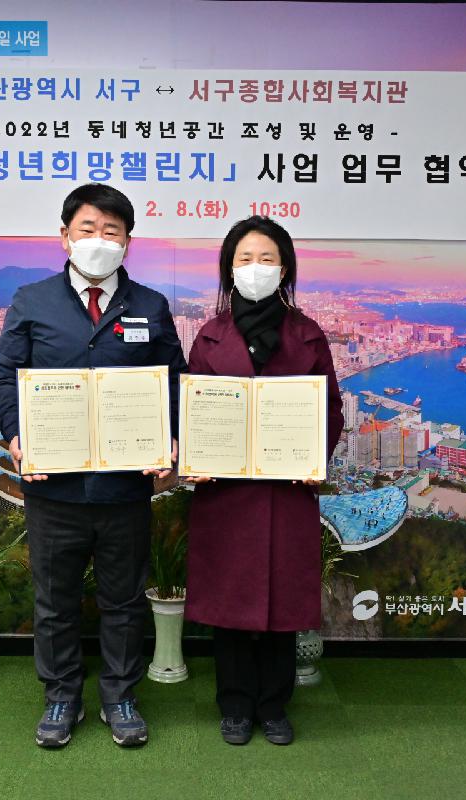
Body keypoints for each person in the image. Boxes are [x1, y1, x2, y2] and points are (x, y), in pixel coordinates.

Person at [0, 183, 186, 749]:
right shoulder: (33, 299)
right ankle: (60, 696)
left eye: (111, 232)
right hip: (54, 486)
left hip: (125, 486)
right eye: (87, 230)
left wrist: (170, 440)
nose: (99, 241)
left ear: (128, 242)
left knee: (124, 599)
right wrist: (16, 434)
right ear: (64, 237)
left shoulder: (149, 305)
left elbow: (173, 380)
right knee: (54, 600)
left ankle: (120, 695)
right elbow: (7, 374)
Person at [183, 216, 343, 746]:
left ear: (286, 267)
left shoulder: (308, 333)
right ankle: (233, 704)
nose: (256, 269)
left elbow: (331, 409)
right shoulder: (208, 335)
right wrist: (197, 456)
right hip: (225, 492)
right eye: (245, 259)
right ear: (229, 269)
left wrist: (311, 457)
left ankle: (274, 705)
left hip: (287, 490)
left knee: (282, 602)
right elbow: (194, 409)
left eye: (267, 259)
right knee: (230, 601)